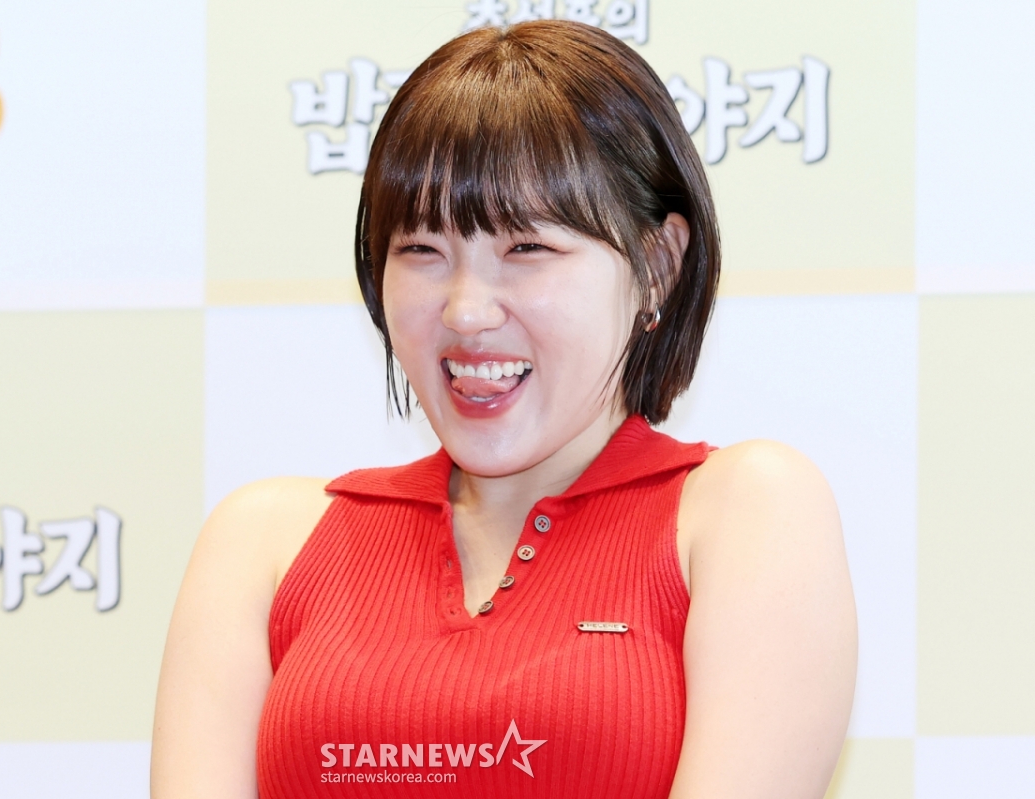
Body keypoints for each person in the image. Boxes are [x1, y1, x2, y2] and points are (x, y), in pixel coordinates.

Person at [151, 20, 856, 799]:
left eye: (527, 249)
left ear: (657, 264)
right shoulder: (264, 542)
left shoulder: (746, 511)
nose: (466, 311)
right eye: (421, 250)